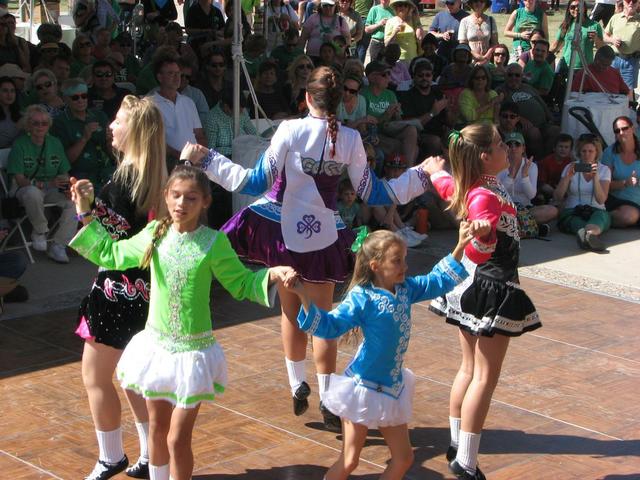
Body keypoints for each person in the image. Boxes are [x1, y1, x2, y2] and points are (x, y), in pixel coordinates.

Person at [189, 66, 435, 432]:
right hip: (323, 235)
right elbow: (374, 193)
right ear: (342, 102)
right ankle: (327, 399)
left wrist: (207, 159)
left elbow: (252, 181)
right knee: (323, 319)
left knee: (290, 311)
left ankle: (296, 382)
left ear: (306, 98)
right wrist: (420, 175)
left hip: (280, 228)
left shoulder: (290, 129)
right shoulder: (350, 138)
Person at [69, 165, 296, 480]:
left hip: (193, 354)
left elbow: (241, 283)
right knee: (158, 430)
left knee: (177, 437)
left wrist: (273, 272)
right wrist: (85, 211)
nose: (181, 204)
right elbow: (112, 254)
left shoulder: (213, 243)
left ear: (205, 202)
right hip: (156, 350)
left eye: (191, 198)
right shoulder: (155, 234)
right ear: (165, 196)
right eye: (175, 196)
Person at [287, 223, 490, 479]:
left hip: (392, 388)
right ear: (375, 265)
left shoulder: (405, 289)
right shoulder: (362, 298)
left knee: (404, 459)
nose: (405, 266)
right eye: (397, 261)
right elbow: (329, 326)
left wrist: (461, 244)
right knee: (349, 461)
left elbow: (437, 281)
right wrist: (303, 296)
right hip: (361, 389)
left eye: (404, 259)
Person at [424, 123, 542, 480]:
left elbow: (449, 187)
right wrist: (482, 232)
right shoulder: (484, 195)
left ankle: (458, 443)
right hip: (490, 287)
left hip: (469, 287)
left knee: (468, 369)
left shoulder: (474, 184)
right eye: (500, 144)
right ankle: (466, 461)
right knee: (484, 377)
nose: (508, 148)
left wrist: (435, 172)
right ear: (486, 156)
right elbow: (482, 235)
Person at [75, 96, 168, 480]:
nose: (111, 126)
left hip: (116, 291)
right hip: (147, 292)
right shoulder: (157, 178)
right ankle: (148, 456)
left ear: (135, 131)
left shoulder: (124, 181)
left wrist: (83, 211)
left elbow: (107, 245)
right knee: (134, 377)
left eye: (117, 120)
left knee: (96, 377)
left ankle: (110, 456)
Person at [7, 105, 77, 264]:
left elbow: (63, 172)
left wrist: (66, 188)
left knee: (73, 201)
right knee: (33, 192)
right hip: (24, 190)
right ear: (28, 125)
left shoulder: (55, 143)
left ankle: (59, 245)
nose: (40, 127)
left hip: (51, 188)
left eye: (44, 123)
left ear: (49, 125)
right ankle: (40, 231)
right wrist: (46, 184)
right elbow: (19, 179)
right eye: (35, 123)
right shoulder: (20, 145)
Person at [51, 78, 114, 193]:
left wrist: (110, 142)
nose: (80, 100)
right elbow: (63, 161)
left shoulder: (99, 115)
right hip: (80, 174)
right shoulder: (60, 123)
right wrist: (84, 138)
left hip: (107, 169)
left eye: (84, 96)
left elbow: (112, 153)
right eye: (75, 98)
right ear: (65, 99)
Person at [554, 135, 612, 251]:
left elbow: (601, 200)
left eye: (591, 151)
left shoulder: (604, 169)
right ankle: (589, 237)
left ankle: (587, 235)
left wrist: (595, 178)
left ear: (596, 152)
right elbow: (557, 197)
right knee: (575, 221)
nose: (587, 155)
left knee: (600, 217)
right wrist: (567, 177)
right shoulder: (571, 167)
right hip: (573, 210)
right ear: (579, 152)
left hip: (597, 209)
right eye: (584, 151)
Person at [150, 51, 206, 167]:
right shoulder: (149, 104)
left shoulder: (188, 102)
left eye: (178, 73)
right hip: (166, 163)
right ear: (160, 77)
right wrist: (183, 158)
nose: (177, 77)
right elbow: (155, 143)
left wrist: (201, 156)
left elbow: (199, 135)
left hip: (194, 163)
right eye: (171, 73)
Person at [498, 131, 557, 236]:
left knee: (552, 211)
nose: (513, 148)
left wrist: (525, 175)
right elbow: (498, 194)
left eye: (517, 144)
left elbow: (531, 195)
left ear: (523, 148)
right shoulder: (498, 164)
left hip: (525, 209)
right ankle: (528, 226)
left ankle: (514, 226)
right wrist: (510, 176)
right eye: (509, 144)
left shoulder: (532, 166)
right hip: (503, 209)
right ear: (504, 148)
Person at [362, 60, 418, 165]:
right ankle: (404, 174)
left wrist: (396, 113)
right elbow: (366, 126)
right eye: (384, 74)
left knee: (411, 130)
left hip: (388, 129)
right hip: (373, 133)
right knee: (401, 147)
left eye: (389, 73)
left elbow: (398, 121)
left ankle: (408, 172)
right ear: (372, 77)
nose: (389, 77)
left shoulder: (390, 94)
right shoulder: (363, 95)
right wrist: (386, 115)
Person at [398, 59, 453, 157]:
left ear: (432, 77)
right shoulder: (407, 96)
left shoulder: (437, 92)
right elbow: (411, 124)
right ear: (414, 77)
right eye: (420, 75)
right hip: (420, 135)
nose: (424, 78)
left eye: (428, 75)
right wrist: (432, 113)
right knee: (435, 141)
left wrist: (448, 109)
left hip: (440, 132)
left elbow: (450, 122)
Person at [601, 116, 640, 227]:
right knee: (628, 216)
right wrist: (625, 183)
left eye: (625, 128)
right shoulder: (610, 152)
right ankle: (599, 217)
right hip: (620, 201)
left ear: (632, 129)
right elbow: (604, 185)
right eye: (617, 131)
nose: (621, 133)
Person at [551, 0, 603, 74]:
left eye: (579, 6)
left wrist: (596, 38)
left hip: (584, 67)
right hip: (565, 66)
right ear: (569, 10)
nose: (576, 9)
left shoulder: (594, 25)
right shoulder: (566, 25)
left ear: (584, 8)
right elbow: (556, 45)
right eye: (572, 7)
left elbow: (601, 48)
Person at [204, 87, 257, 157]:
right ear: (226, 107)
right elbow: (211, 150)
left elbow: (253, 132)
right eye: (238, 111)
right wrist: (236, 150)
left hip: (245, 153)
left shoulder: (242, 111)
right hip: (223, 158)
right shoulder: (212, 118)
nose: (241, 113)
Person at [602, 0, 640, 90]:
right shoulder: (615, 18)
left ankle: (628, 104)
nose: (631, 3)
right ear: (623, 2)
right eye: (628, 0)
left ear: (638, 3)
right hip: (613, 60)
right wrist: (612, 40)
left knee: (627, 92)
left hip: (631, 61)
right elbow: (604, 36)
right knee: (610, 89)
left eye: (634, 1)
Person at [457, 0, 498, 66]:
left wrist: (485, 58)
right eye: (475, 1)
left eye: (482, 1)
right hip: (469, 61)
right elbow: (463, 44)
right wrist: (476, 56)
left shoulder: (491, 20)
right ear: (472, 3)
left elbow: (495, 43)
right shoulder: (465, 21)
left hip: (487, 61)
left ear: (485, 4)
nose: (478, 3)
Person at [537, 133, 574, 203]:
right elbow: (542, 185)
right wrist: (557, 193)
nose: (563, 149)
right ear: (554, 148)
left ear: (570, 150)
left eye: (566, 147)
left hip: (565, 193)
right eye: (560, 146)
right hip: (547, 193)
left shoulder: (572, 163)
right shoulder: (545, 162)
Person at [0, 76, 21, 149]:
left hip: (17, 154)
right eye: (5, 90)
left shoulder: (19, 114)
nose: (9, 94)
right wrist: (17, 127)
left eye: (12, 91)